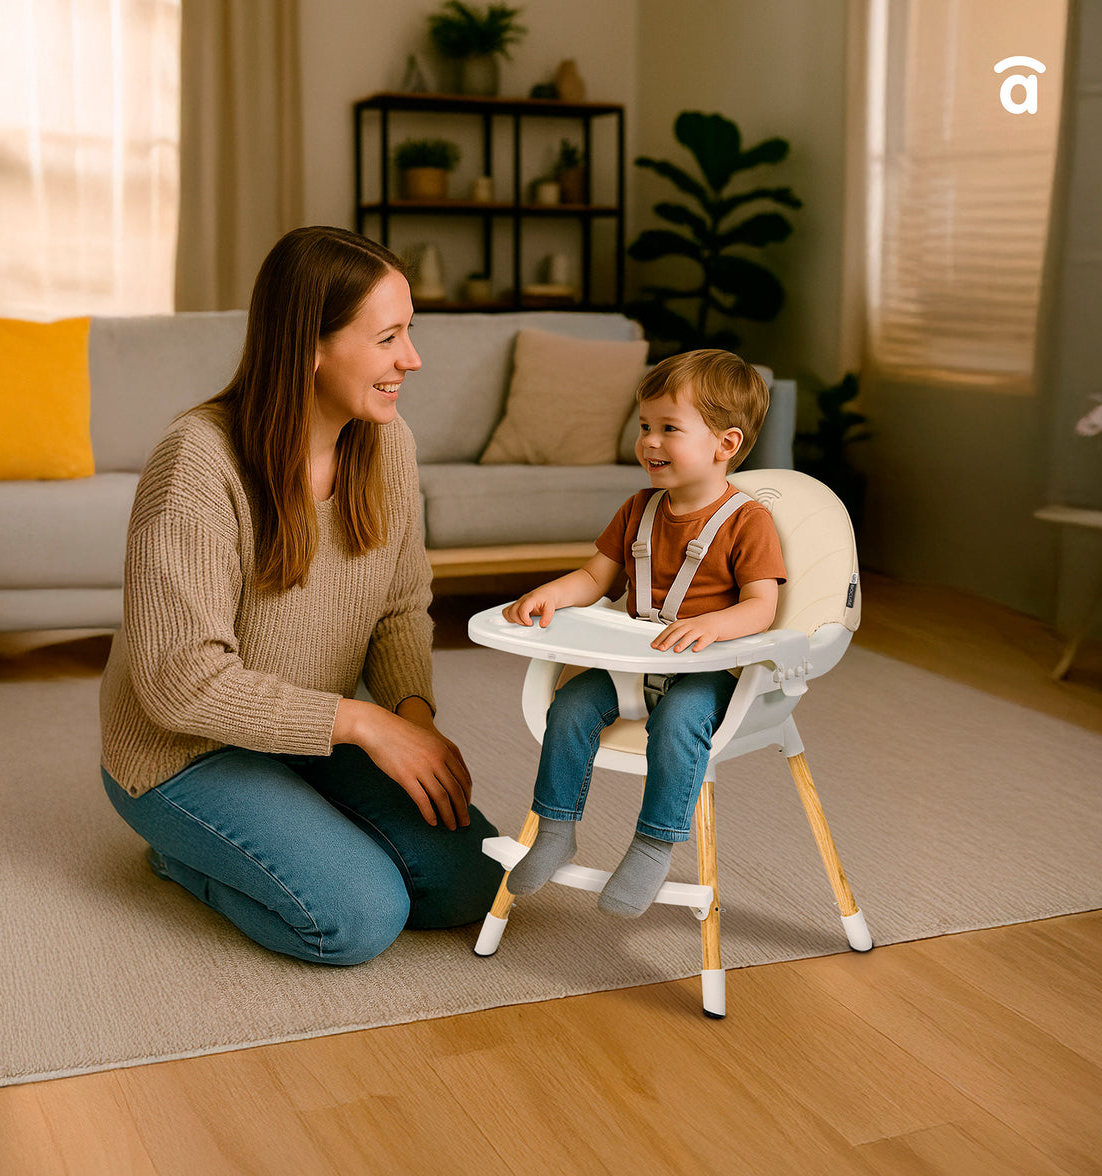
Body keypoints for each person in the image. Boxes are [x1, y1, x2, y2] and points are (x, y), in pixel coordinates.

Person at [99, 225, 503, 965]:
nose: (411, 359)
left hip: (311, 735)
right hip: (184, 751)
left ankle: (295, 816)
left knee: (473, 879)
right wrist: (366, 724)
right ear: (310, 347)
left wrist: (412, 722)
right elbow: (179, 684)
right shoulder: (198, 461)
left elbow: (400, 606)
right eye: (388, 338)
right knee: (357, 917)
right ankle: (178, 858)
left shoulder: (387, 441)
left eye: (409, 332)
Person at [501, 349, 787, 917]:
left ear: (725, 444)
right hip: (630, 664)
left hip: (704, 674)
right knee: (569, 707)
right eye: (644, 426)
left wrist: (712, 624)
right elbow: (595, 578)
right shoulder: (638, 508)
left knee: (679, 723)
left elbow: (762, 606)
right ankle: (556, 829)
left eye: (669, 429)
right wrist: (552, 593)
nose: (649, 441)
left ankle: (653, 844)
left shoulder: (748, 521)